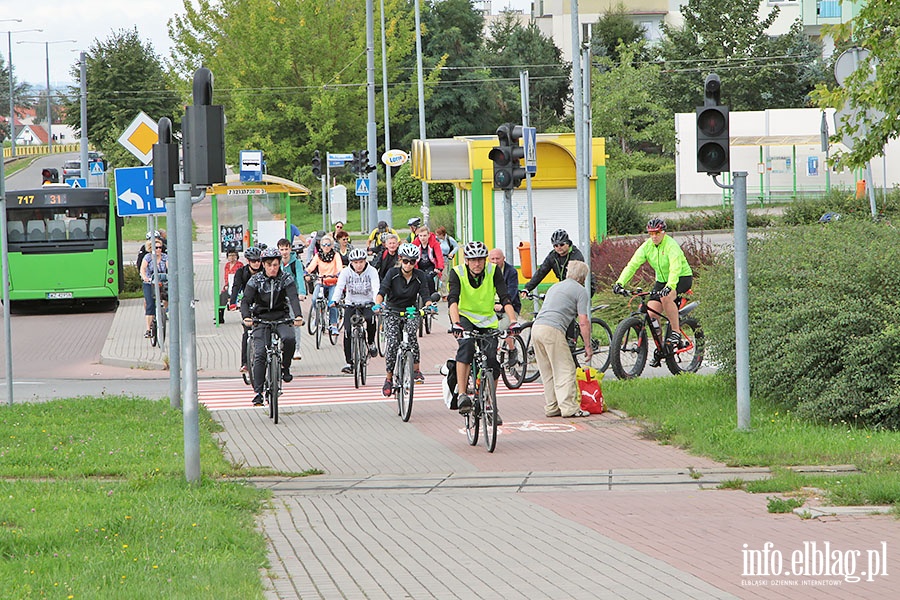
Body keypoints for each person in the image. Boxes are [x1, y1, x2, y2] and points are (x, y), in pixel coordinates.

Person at [448, 241, 519, 420]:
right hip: (464, 317)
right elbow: (453, 300)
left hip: (487, 320)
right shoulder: (457, 272)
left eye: (480, 260)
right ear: (466, 260)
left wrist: (513, 321)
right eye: (473, 260)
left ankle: (489, 403)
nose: (477, 264)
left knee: (493, 362)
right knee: (467, 347)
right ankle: (463, 394)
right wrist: (456, 323)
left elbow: (505, 298)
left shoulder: (493, 271)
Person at [613, 218, 693, 358]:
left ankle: (676, 332)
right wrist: (620, 283)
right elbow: (632, 265)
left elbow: (675, 268)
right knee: (652, 313)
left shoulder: (671, 246)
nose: (654, 237)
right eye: (651, 234)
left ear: (663, 232)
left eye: (657, 233)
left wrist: (670, 286)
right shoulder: (647, 246)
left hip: (681, 278)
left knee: (666, 297)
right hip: (661, 281)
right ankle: (662, 348)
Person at [241, 247, 304, 406]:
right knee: (260, 353)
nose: (272, 268)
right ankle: (258, 392)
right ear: (263, 265)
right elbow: (245, 301)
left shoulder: (286, 278)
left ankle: (285, 367)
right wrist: (247, 317)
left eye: (275, 265)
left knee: (289, 339)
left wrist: (298, 316)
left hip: (281, 317)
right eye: (269, 265)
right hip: (261, 319)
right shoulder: (255, 280)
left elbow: (293, 298)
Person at [531, 260, 593, 418]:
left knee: (548, 370)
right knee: (565, 369)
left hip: (536, 328)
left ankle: (552, 407)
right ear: (583, 276)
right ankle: (569, 408)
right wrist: (587, 346)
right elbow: (583, 321)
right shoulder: (580, 291)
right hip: (553, 329)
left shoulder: (555, 286)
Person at [374, 243, 434, 397]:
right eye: (406, 261)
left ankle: (416, 370)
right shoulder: (392, 273)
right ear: (400, 259)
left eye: (412, 261)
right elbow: (382, 291)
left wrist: (429, 306)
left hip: (411, 311)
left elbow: (425, 295)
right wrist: (378, 304)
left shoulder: (420, 276)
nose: (408, 265)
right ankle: (388, 379)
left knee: (412, 336)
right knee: (393, 342)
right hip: (392, 310)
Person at [330, 248, 380, 374]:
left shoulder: (372, 271)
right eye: (356, 262)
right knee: (347, 332)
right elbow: (339, 287)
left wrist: (377, 303)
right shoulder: (346, 272)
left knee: (370, 319)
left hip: (367, 303)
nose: (358, 265)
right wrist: (334, 301)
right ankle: (349, 362)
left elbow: (375, 287)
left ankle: (371, 342)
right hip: (351, 304)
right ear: (351, 262)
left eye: (361, 262)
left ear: (365, 261)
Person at [229, 246, 265, 373]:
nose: (257, 263)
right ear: (248, 261)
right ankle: (245, 363)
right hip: (248, 303)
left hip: (263, 303)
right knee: (247, 331)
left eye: (258, 260)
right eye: (253, 261)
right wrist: (232, 302)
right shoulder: (241, 272)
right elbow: (236, 287)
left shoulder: (265, 271)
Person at [523, 228, 591, 294]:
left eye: (561, 244)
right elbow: (541, 272)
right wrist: (528, 288)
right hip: (564, 286)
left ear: (567, 243)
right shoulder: (553, 255)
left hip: (579, 287)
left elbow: (576, 277)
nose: (559, 247)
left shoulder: (576, 256)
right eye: (555, 245)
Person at [305, 234, 344, 335]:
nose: (326, 247)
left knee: (332, 302)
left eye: (328, 244)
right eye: (324, 245)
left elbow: (339, 267)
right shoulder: (318, 256)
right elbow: (311, 266)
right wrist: (306, 272)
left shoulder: (336, 255)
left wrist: (339, 274)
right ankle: (317, 315)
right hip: (321, 282)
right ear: (321, 246)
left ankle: (334, 325)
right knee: (314, 299)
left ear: (331, 245)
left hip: (332, 282)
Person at [488, 247, 521, 359]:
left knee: (503, 328)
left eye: (498, 258)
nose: (495, 261)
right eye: (492, 259)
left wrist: (503, 306)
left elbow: (512, 291)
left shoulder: (511, 272)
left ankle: (512, 349)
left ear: (503, 259)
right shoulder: (486, 272)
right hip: (491, 307)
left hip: (509, 306)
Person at [278, 238, 308, 361]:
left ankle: (296, 349)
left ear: (290, 249)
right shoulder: (276, 262)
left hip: (292, 294)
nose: (284, 252)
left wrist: (301, 292)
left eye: (286, 249)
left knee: (295, 320)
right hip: (279, 295)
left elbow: (300, 278)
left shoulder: (296, 263)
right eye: (282, 249)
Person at [140, 240, 168, 338]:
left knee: (167, 296)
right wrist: (145, 277)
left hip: (162, 282)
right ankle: (148, 329)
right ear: (151, 249)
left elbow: (169, 267)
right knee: (150, 304)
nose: (158, 250)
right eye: (156, 248)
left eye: (160, 247)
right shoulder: (148, 257)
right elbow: (143, 269)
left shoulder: (165, 257)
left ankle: (165, 313)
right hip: (150, 283)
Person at [412, 225, 444, 296]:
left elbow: (439, 256)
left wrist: (440, 268)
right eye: (420, 236)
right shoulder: (415, 244)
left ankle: (432, 295)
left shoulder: (434, 243)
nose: (422, 238)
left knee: (428, 277)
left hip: (431, 266)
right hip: (418, 266)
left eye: (424, 236)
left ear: (428, 235)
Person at [219, 248, 244, 323]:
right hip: (228, 285)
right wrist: (226, 285)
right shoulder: (227, 265)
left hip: (237, 286)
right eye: (230, 255)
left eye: (234, 255)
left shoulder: (240, 265)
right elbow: (226, 276)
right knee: (221, 297)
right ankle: (220, 317)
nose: (232, 257)